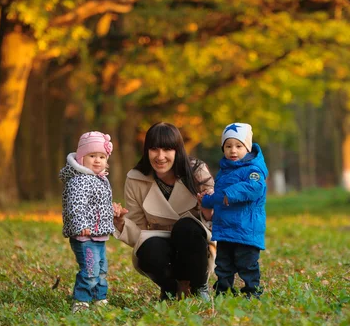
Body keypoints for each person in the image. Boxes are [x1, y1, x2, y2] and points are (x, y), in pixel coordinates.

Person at [112, 122, 215, 301]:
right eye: (154, 149)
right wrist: (121, 223)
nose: (160, 156)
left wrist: (207, 211)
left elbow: (218, 223)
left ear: (177, 150)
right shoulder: (136, 179)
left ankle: (199, 287)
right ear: (147, 151)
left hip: (195, 245)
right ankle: (169, 289)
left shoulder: (196, 172)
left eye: (167, 149)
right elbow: (139, 232)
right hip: (161, 245)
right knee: (148, 249)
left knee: (185, 227)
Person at [200, 123, 268, 298]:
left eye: (239, 146)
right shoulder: (224, 171)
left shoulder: (253, 170)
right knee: (223, 264)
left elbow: (255, 188)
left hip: (246, 229)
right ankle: (224, 291)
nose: (233, 151)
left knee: (247, 264)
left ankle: (252, 292)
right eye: (228, 146)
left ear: (248, 147)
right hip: (225, 229)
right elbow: (219, 196)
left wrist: (229, 193)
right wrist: (207, 199)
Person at [60, 131, 115, 313]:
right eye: (92, 156)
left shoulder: (100, 179)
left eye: (102, 156)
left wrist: (112, 210)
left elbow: (98, 205)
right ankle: (81, 301)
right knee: (90, 269)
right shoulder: (79, 180)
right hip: (84, 235)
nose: (98, 160)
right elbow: (75, 205)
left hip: (98, 235)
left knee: (101, 268)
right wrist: (81, 224)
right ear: (82, 158)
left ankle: (99, 298)